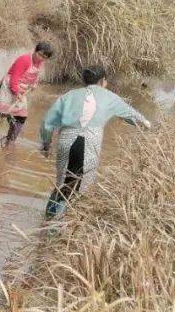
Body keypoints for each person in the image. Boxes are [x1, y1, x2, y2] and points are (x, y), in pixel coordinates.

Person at [41, 64, 150, 218]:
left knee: (61, 182)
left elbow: (47, 123)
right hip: (88, 142)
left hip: (65, 140)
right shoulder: (110, 97)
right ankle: (60, 228)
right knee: (81, 187)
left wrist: (46, 144)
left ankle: (47, 221)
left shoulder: (69, 95)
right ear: (102, 81)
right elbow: (136, 118)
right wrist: (149, 127)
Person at [0, 41, 54, 146]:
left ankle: (10, 143)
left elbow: (34, 77)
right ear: (35, 51)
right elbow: (14, 77)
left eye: (44, 57)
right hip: (9, 89)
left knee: (20, 117)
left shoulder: (38, 63)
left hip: (21, 91)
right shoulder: (24, 59)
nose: (41, 58)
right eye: (40, 54)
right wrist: (16, 92)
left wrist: (34, 84)